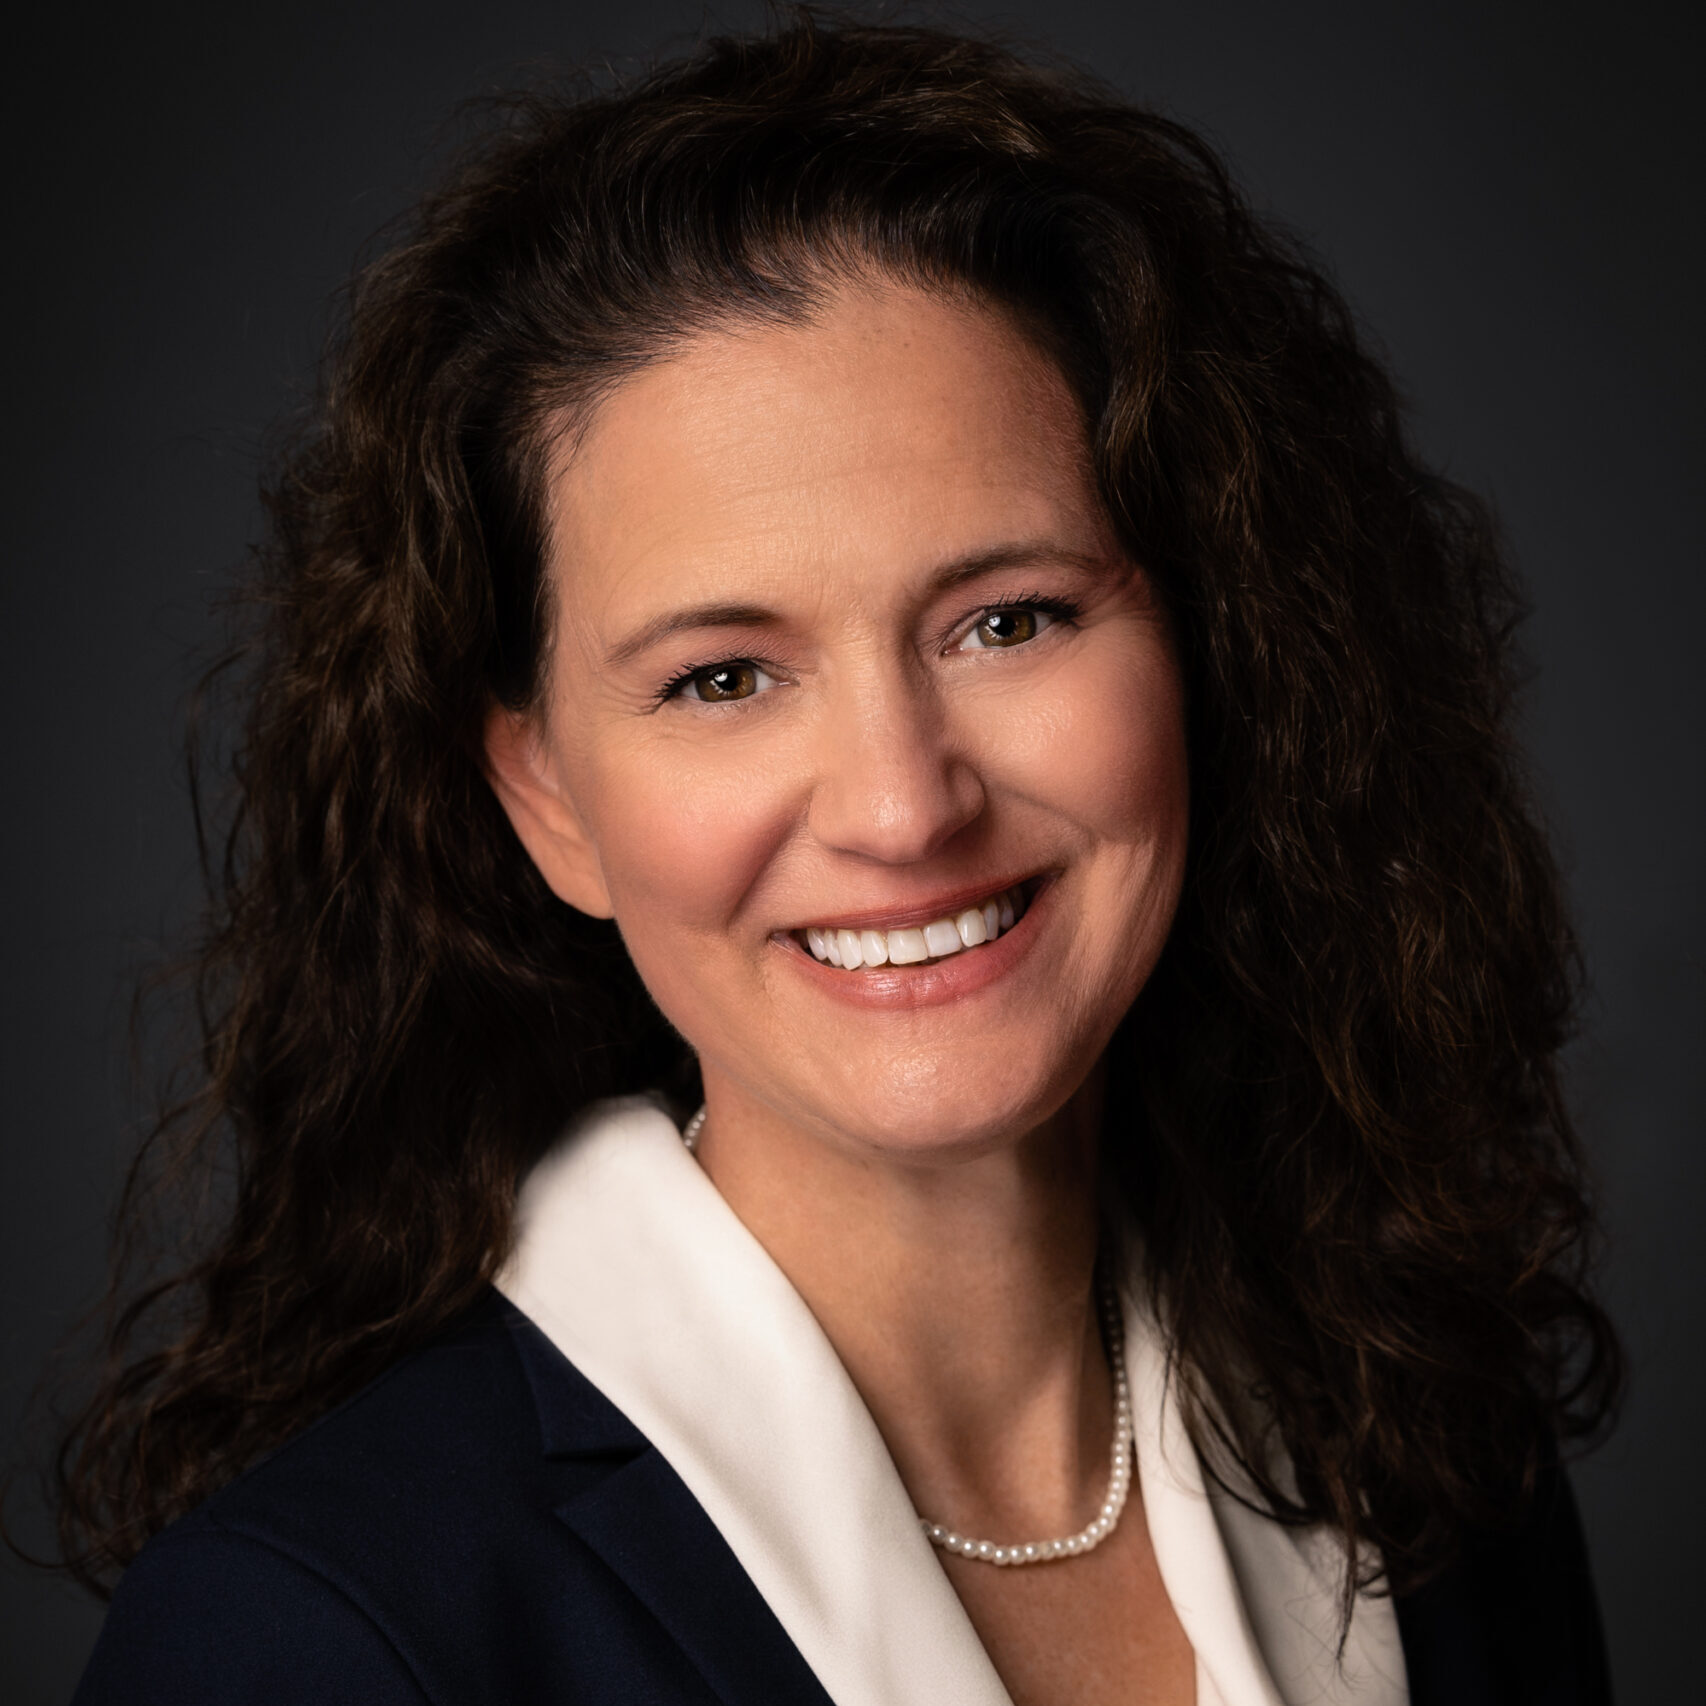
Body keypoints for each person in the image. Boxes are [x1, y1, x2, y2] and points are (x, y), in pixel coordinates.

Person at [55, 15, 1619, 1705]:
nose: (899, 803)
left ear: (1215, 652)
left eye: (1006, 619)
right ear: (545, 796)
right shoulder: (310, 1635)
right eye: (722, 676)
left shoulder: (1435, 1456)